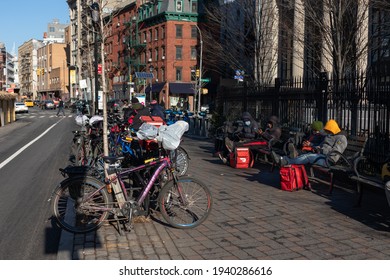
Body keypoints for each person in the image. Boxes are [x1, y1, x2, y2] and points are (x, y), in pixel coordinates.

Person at [271, 119, 348, 168]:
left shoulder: (341, 138)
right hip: (322, 155)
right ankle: (282, 159)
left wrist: (321, 149)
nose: (327, 133)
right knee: (306, 155)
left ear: (333, 129)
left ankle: (284, 161)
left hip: (329, 160)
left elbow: (335, 153)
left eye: (328, 131)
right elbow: (321, 146)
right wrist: (313, 146)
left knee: (308, 157)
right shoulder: (331, 135)